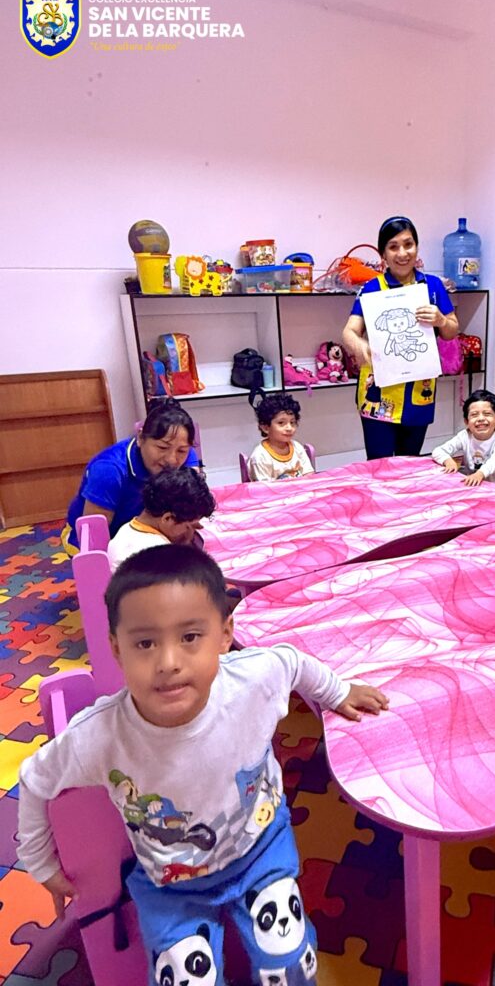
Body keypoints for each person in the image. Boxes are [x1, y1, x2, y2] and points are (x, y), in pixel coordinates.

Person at [17, 546, 389, 983]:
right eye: (145, 643)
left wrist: (337, 692)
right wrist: (40, 863)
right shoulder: (100, 734)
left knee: (290, 963)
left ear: (224, 635)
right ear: (117, 650)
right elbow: (35, 779)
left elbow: (293, 662)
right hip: (170, 887)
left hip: (261, 852)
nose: (168, 663)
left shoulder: (253, 678)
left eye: (190, 637)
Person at [341, 216, 459, 460]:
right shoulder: (371, 288)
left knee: (409, 464)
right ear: (383, 254)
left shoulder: (433, 286)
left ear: (417, 246)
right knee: (379, 464)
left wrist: (441, 320)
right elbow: (349, 331)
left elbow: (452, 331)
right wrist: (359, 345)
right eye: (393, 247)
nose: (402, 253)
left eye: (408, 244)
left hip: (418, 392)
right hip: (378, 393)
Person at [62, 398, 199, 554]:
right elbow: (93, 540)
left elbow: (193, 498)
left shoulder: (185, 455)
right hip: (96, 538)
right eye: (162, 447)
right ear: (140, 438)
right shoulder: (109, 471)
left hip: (145, 530)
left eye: (181, 451)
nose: (171, 460)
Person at [107, 467, 216, 571]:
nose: (191, 533)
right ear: (168, 518)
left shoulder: (127, 529)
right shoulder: (161, 556)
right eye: (188, 527)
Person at [431, 389, 495, 486]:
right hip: (475, 485)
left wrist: (480, 474)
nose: (481, 419)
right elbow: (438, 451)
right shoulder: (464, 436)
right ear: (466, 422)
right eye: (474, 415)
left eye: (487, 414)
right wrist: (448, 461)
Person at [247, 392, 314, 482]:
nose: (289, 428)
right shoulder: (260, 457)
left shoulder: (297, 447)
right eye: (281, 423)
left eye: (292, 422)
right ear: (265, 428)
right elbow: (264, 488)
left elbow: (309, 475)